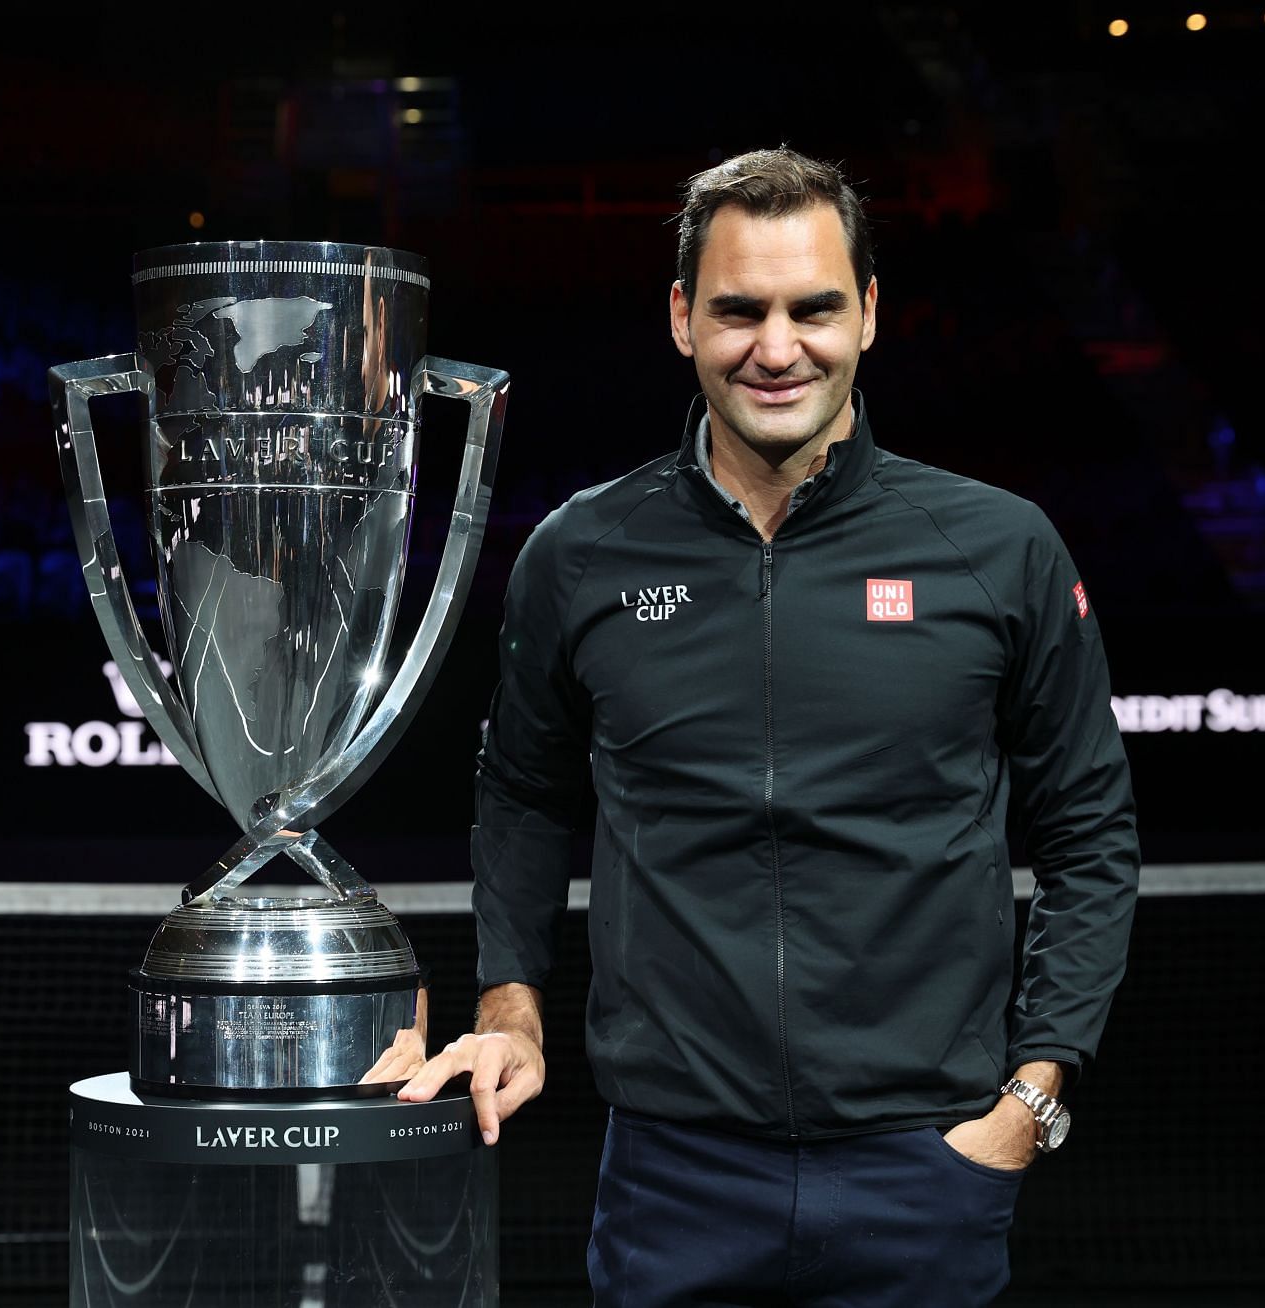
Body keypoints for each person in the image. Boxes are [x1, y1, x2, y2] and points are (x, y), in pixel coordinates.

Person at [399, 146, 1140, 1306]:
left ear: (871, 315)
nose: (778, 347)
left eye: (815, 308)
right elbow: (527, 795)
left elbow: (1092, 835)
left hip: (929, 1168)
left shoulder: (1001, 548)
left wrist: (1030, 1103)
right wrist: (513, 1010)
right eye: (741, 310)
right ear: (683, 317)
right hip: (672, 1178)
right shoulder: (582, 553)